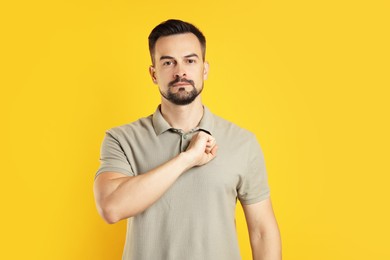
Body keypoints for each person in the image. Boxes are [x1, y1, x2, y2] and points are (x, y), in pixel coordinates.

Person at [94, 19, 282, 260]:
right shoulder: (122, 139)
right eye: (168, 62)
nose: (180, 71)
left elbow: (262, 232)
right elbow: (111, 207)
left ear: (204, 69)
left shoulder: (242, 142)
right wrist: (187, 159)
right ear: (153, 74)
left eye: (190, 61)